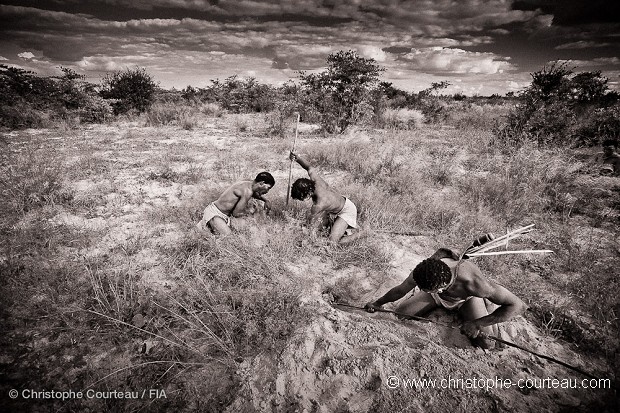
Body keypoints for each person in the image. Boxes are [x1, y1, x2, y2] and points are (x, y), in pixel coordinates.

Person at [364, 251, 527, 348]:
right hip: (437, 296)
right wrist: (378, 303)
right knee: (400, 314)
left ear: (441, 287)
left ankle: (485, 306)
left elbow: (517, 305)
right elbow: (400, 289)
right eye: (421, 288)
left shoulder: (473, 283)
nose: (419, 288)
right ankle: (434, 300)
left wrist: (477, 324)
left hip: (466, 299)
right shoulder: (423, 273)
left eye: (424, 289)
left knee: (487, 344)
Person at [289, 151, 361, 244]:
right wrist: (297, 159)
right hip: (338, 205)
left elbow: (311, 226)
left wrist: (304, 239)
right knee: (321, 227)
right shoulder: (315, 180)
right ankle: (336, 223)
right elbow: (309, 167)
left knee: (333, 242)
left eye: (303, 198)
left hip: (347, 210)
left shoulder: (319, 204)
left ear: (309, 193)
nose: (303, 200)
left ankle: (361, 233)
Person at [196, 172, 275, 236]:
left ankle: (207, 227)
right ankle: (206, 225)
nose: (267, 191)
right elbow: (236, 213)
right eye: (268, 188)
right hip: (215, 214)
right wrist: (250, 213)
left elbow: (254, 194)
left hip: (223, 214)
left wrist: (266, 200)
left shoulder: (249, 184)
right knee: (228, 237)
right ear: (262, 183)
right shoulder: (247, 191)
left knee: (242, 230)